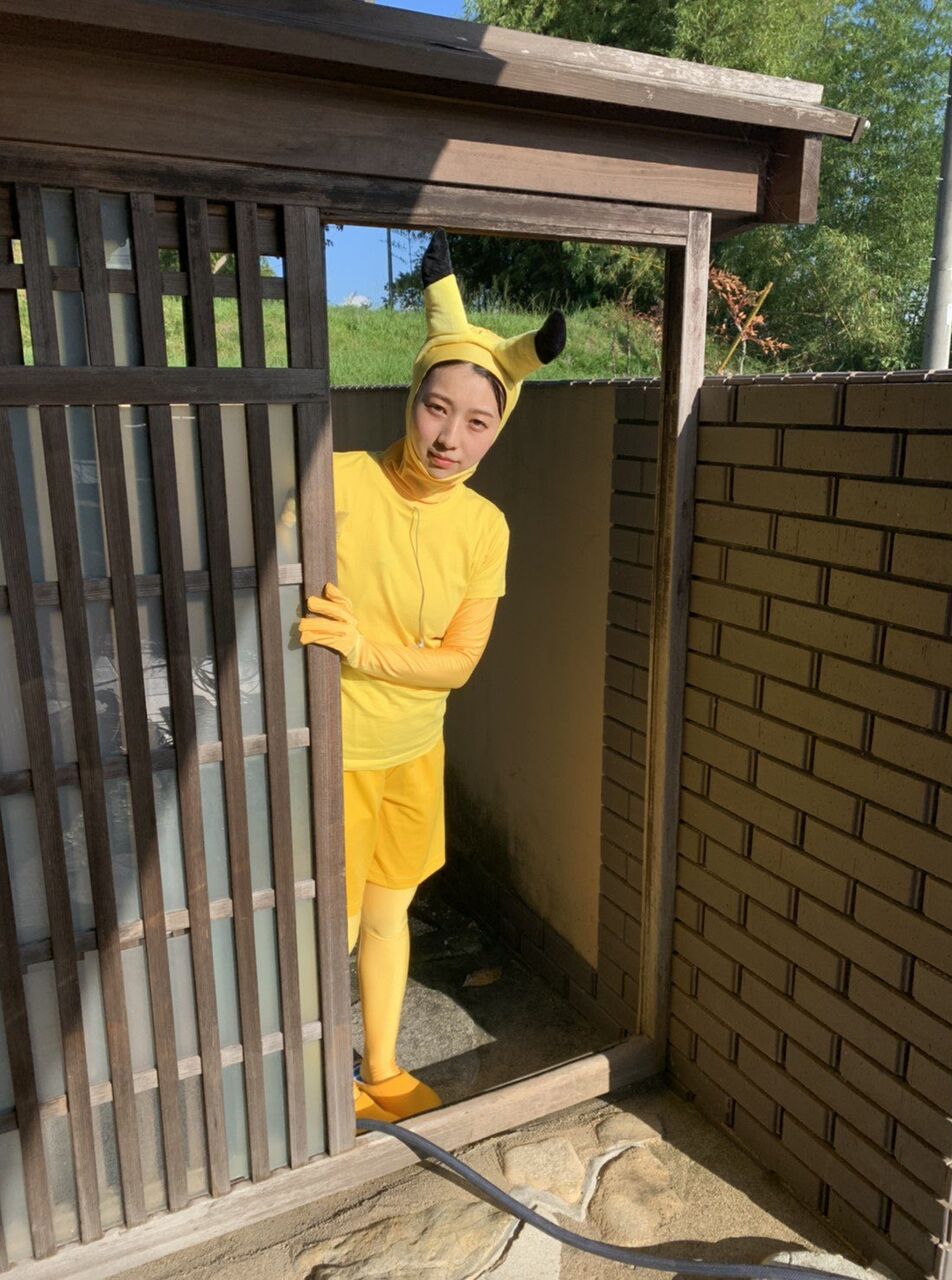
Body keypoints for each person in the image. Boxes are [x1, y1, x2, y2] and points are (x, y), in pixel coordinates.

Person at [299, 229, 566, 1123]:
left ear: (498, 430)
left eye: (477, 421)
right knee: (328, 927)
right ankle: (314, 1087)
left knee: (390, 914)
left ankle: (380, 1069)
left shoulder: (485, 526)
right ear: (411, 398)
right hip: (334, 752)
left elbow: (458, 662)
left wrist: (364, 648)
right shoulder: (337, 482)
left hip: (415, 753)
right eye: (437, 408)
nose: (451, 437)